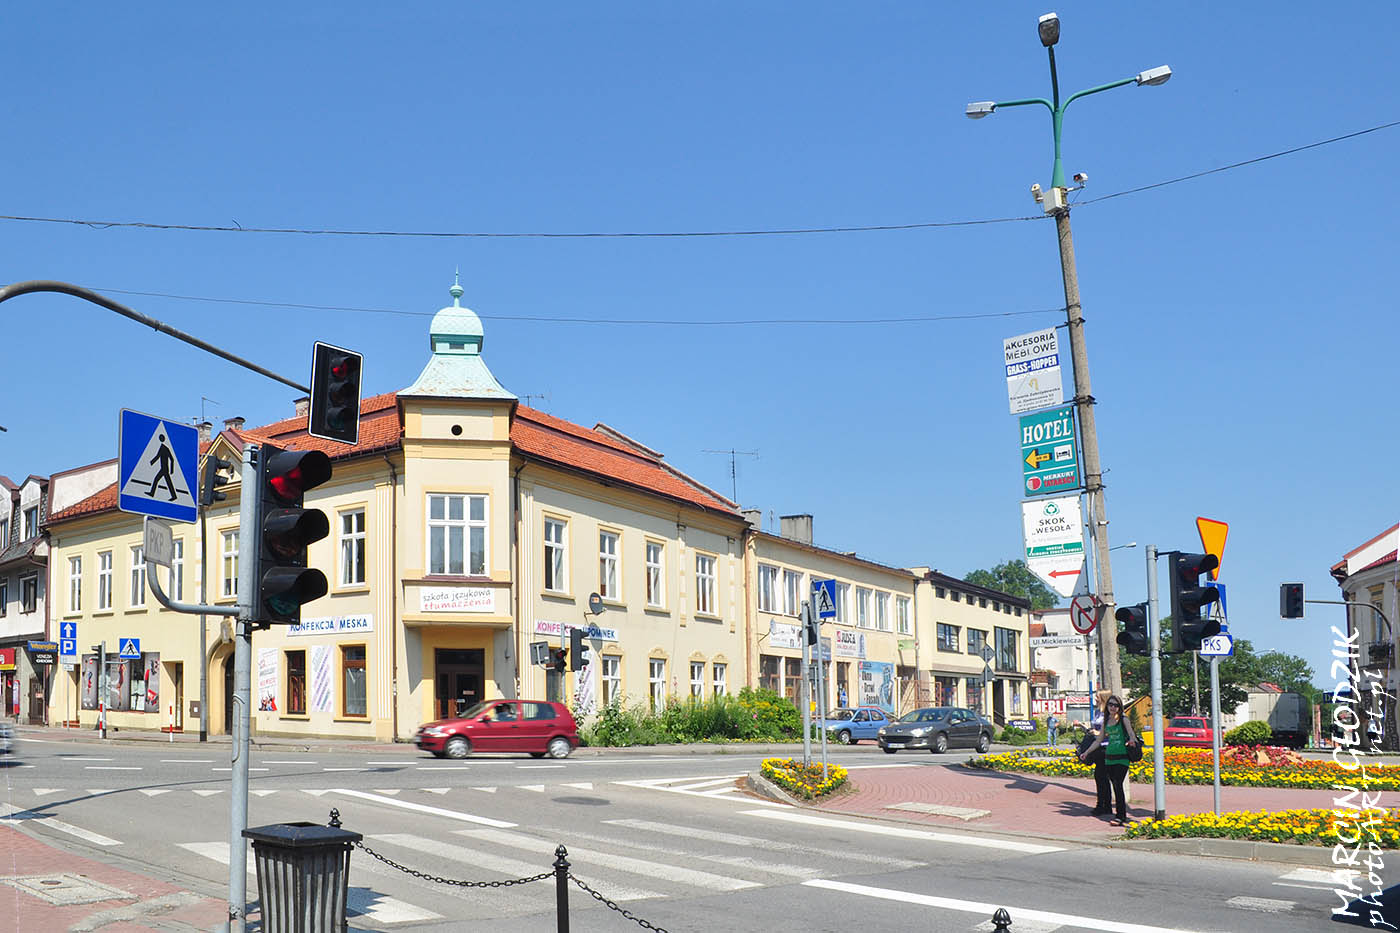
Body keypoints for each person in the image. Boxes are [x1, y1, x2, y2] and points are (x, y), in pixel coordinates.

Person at [1078, 694, 1139, 825]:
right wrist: (1086, 752)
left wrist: (1132, 740)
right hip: (1109, 756)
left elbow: (1131, 733)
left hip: (1122, 757)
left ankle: (1120, 816)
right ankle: (1117, 814)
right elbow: (1099, 740)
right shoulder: (1106, 720)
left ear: (1120, 707)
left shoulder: (1123, 719)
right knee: (1114, 784)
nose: (1113, 707)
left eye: (1116, 705)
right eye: (1110, 705)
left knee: (1117, 784)